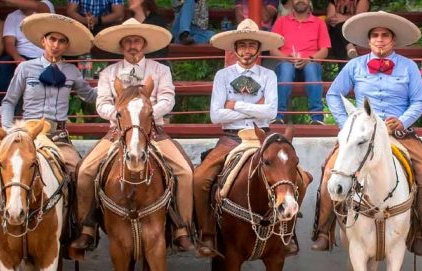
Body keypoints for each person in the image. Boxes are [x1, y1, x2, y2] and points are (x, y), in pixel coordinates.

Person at [313, 11, 422, 256]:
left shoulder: (409, 67)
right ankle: (324, 230)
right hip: (362, 135)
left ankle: (420, 234)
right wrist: (347, 125)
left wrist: (402, 121)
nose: (380, 39)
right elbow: (333, 94)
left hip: (399, 134)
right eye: (375, 35)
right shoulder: (354, 66)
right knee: (330, 170)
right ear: (369, 40)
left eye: (385, 35)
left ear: (393, 40)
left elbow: (419, 101)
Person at [70, 18, 195, 253]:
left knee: (186, 172)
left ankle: (182, 229)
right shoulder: (109, 72)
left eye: (137, 41)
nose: (132, 45)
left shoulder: (161, 70)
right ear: (121, 46)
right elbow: (102, 103)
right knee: (86, 170)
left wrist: (145, 115)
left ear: (145, 45)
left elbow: (168, 99)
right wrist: (123, 117)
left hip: (154, 131)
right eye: (127, 41)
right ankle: (87, 228)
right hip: (118, 131)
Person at [0, 13, 96, 252]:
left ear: (66, 45)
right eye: (52, 39)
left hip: (57, 137)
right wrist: (10, 131)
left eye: (62, 41)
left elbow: (92, 97)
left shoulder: (72, 72)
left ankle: (78, 229)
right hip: (25, 134)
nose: (56, 45)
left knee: (81, 174)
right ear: (43, 41)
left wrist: (114, 90)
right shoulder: (25, 68)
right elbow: (10, 101)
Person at [193, 18, 282, 257]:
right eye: (242, 45)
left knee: (295, 176)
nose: (246, 50)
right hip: (230, 137)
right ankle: (207, 233)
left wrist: (234, 104)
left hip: (261, 137)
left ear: (258, 48)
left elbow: (271, 112)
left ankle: (286, 231)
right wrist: (255, 106)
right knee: (200, 178)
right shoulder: (223, 76)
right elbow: (216, 114)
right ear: (235, 49)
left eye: (251, 45)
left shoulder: (268, 76)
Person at [270, 0, 330, 124]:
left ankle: (317, 118)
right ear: (292, 2)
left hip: (310, 63)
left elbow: (324, 50)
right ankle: (278, 116)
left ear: (309, 1)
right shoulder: (281, 21)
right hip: (287, 63)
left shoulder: (319, 22)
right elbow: (272, 49)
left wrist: (309, 59)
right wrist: (287, 58)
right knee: (286, 68)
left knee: (311, 67)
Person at [0, 0, 54, 106]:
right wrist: (16, 57)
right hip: (20, 56)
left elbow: (38, 6)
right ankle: (3, 107)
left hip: (42, 56)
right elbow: (9, 42)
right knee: (3, 65)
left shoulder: (45, 5)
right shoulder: (12, 16)